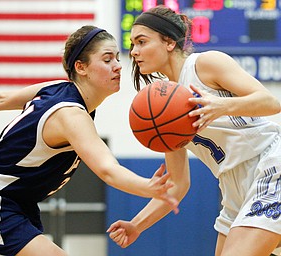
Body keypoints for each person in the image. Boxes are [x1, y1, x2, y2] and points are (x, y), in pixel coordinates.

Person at [0, 25, 179, 256]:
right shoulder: (71, 114)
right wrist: (147, 187)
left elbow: (0, 99)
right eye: (107, 59)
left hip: (14, 203)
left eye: (116, 58)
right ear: (81, 67)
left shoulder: (55, 88)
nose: (117, 65)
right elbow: (107, 169)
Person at [107, 5, 281, 256]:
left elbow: (271, 102)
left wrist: (221, 105)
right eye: (133, 44)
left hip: (270, 165)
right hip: (233, 189)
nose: (134, 51)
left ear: (168, 42)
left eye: (142, 42)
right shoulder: (163, 101)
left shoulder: (205, 64)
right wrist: (137, 225)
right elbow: (178, 185)